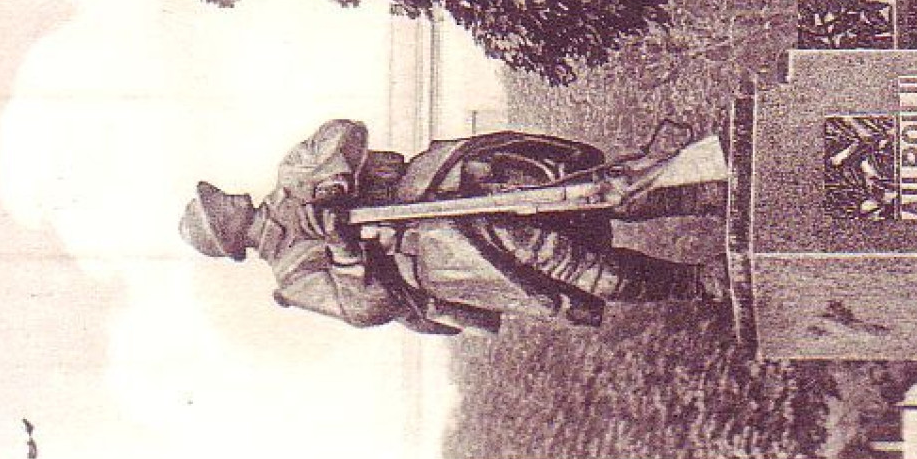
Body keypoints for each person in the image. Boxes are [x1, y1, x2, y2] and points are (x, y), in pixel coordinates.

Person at [178, 119, 728, 336]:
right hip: (445, 254)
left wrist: (329, 186)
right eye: (215, 206)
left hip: (448, 187)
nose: (223, 195)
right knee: (578, 269)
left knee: (584, 192)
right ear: (226, 235)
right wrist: (346, 254)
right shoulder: (294, 276)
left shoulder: (293, 176)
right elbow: (368, 309)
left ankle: (709, 191)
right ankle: (701, 283)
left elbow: (346, 132)